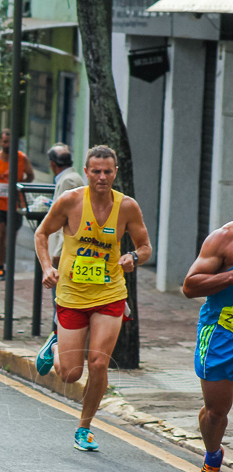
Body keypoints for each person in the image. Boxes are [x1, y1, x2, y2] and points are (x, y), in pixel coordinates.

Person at [33, 145, 152, 451]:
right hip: (72, 294)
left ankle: (84, 427)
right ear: (86, 172)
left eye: (107, 171)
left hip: (110, 292)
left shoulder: (126, 206)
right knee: (71, 374)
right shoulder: (71, 201)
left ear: (115, 172)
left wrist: (133, 258)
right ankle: (56, 343)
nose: (102, 177)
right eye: (96, 171)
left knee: (99, 363)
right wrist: (48, 267)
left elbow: (145, 246)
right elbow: (42, 234)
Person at [182, 220, 233, 472]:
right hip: (223, 334)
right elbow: (190, 286)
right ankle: (212, 460)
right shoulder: (224, 239)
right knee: (216, 412)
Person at [0, 128, 34, 280]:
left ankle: (9, 264)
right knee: (0, 234)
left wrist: (19, 186)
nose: (6, 144)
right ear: (0, 142)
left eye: (9, 142)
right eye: (4, 141)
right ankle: (0, 267)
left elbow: (31, 175)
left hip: (15, 203)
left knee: (11, 236)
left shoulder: (21, 158)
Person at [44, 143, 85, 334]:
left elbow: (66, 221)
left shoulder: (68, 181)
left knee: (60, 296)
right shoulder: (70, 178)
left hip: (66, 250)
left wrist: (58, 252)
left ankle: (58, 339)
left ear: (52, 164)